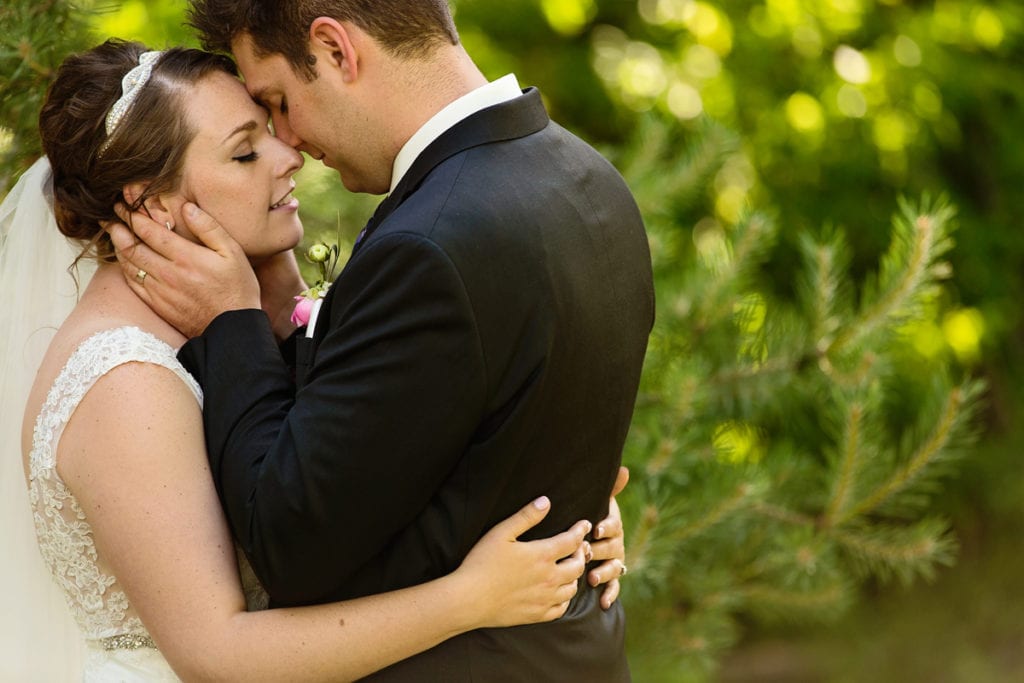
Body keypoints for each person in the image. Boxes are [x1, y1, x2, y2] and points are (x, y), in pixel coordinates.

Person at [0, 39, 630, 681]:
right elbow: (215, 654)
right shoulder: (125, 380)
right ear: (153, 205)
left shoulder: (246, 314)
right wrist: (470, 599)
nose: (289, 154)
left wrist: (549, 493)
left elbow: (352, 476)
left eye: (273, 130)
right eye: (246, 152)